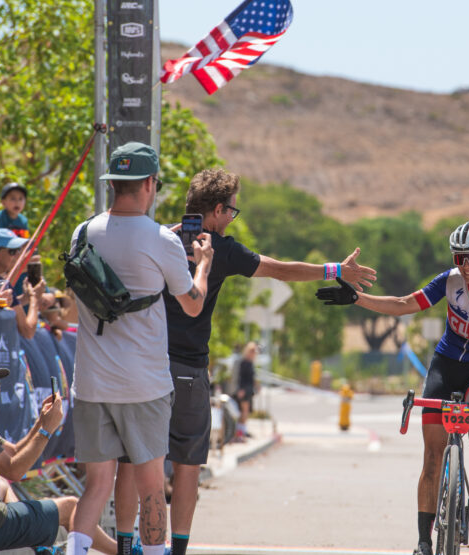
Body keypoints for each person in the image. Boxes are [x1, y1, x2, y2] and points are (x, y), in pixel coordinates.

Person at [114, 167, 376, 555]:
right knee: (187, 466)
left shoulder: (160, 237)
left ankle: (126, 545)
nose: (232, 218)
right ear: (218, 210)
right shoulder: (220, 249)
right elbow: (280, 270)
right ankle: (176, 550)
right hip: (187, 371)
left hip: (143, 367)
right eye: (232, 211)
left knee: (132, 459)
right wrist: (335, 269)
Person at [316, 220, 469, 555]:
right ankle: (424, 541)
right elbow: (405, 303)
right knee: (432, 457)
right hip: (446, 364)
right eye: (459, 258)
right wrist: (357, 299)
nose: (465, 267)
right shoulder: (449, 281)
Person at [67, 142, 213, 555]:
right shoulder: (162, 239)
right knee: (151, 484)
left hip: (92, 382)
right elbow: (192, 304)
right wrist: (201, 264)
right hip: (144, 384)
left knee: (96, 485)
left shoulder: (83, 232)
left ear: (113, 184)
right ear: (150, 184)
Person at [0, 357, 116, 553]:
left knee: (1, 483)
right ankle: (121, 551)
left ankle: (39, 547)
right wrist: (47, 431)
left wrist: (42, 422)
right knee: (71, 507)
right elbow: (16, 470)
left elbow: (15, 452)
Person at [0, 228, 43, 338]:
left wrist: (25, 298)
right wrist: (35, 299)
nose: (18, 255)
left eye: (18, 250)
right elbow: (27, 331)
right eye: (12, 251)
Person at [233, 341, 259, 440]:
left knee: (245, 412)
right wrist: (241, 389)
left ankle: (242, 431)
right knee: (243, 412)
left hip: (248, 390)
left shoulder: (250, 363)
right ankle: (240, 432)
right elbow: (241, 378)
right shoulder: (244, 362)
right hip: (244, 390)